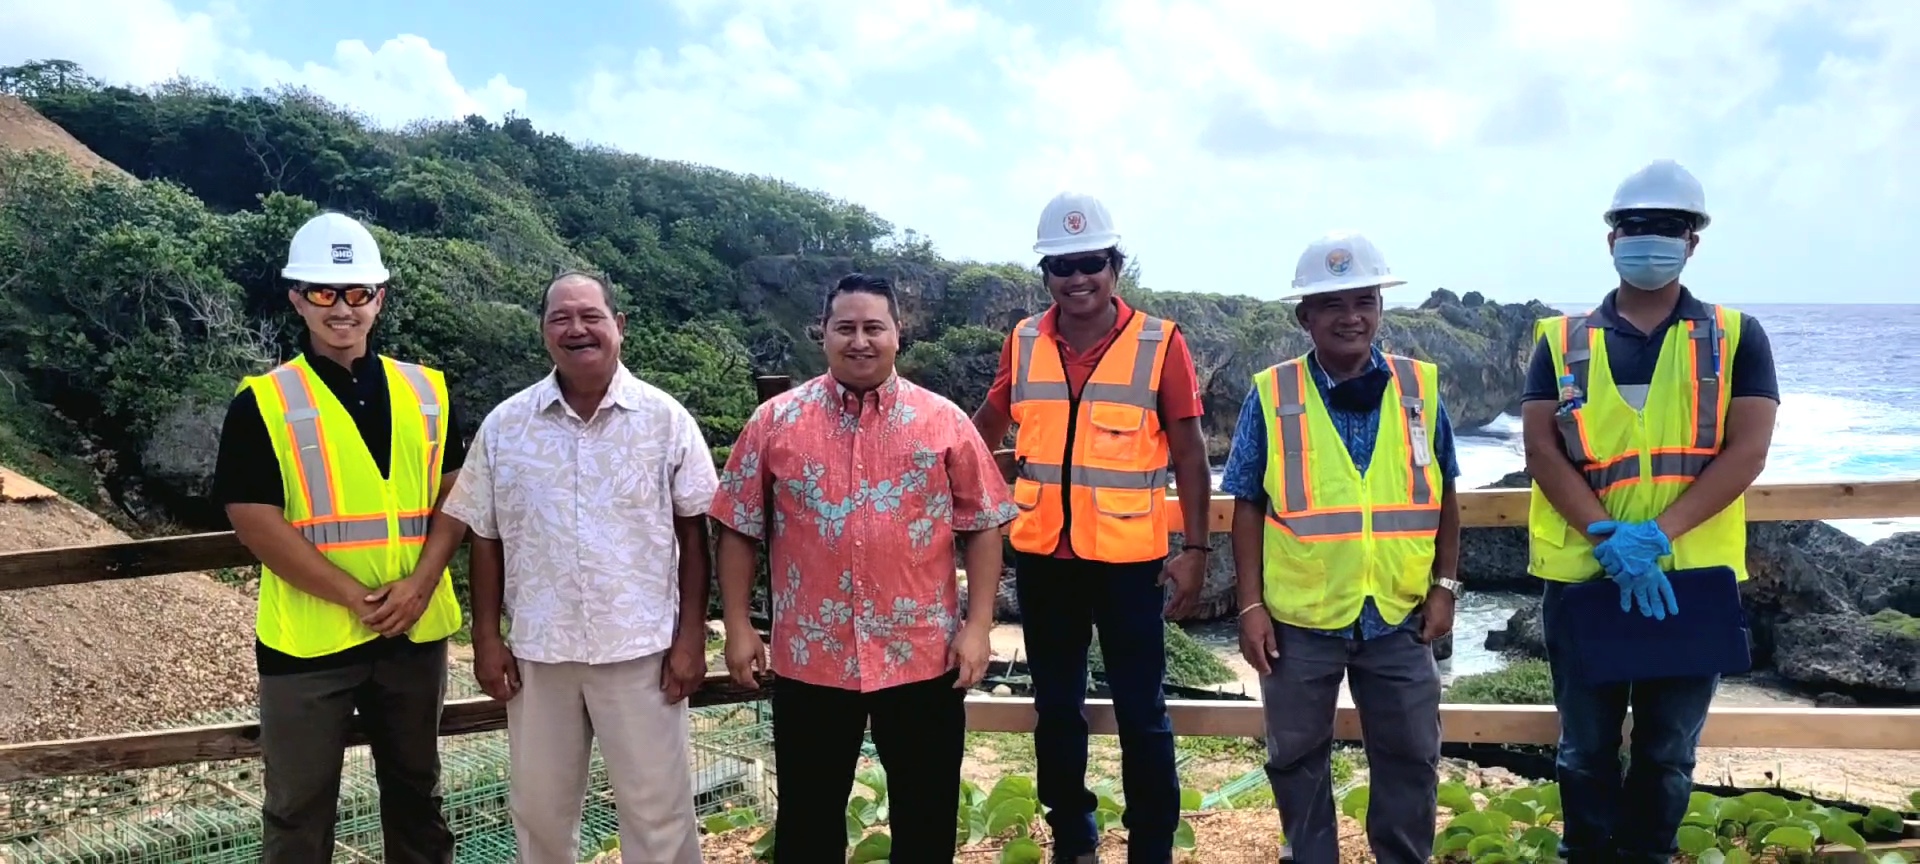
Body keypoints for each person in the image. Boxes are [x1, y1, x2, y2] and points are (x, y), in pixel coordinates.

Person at [1520, 159, 1779, 863]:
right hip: (1586, 576)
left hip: (1689, 580)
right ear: (1612, 239)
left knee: (1668, 752)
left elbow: (1748, 450)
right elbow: (1542, 451)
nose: (1650, 239)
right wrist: (1607, 536)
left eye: (1668, 227)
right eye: (1636, 226)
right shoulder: (1560, 340)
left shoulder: (1736, 336)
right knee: (1584, 748)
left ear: (1693, 242)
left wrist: (1656, 535)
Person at [710, 273, 1014, 864]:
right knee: (808, 825)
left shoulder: (945, 421)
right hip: (811, 657)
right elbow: (739, 526)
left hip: (922, 655)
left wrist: (978, 626)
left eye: (874, 327)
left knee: (926, 822)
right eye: (844, 327)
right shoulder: (775, 422)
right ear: (822, 333)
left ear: (899, 333)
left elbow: (982, 524)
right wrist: (740, 625)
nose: (859, 340)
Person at [433, 271, 718, 864]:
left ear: (620, 325)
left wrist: (691, 635)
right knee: (540, 811)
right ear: (543, 331)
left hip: (642, 651)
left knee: (659, 812)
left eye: (591, 315)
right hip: (540, 652)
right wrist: (486, 638)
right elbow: (485, 536)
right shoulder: (505, 425)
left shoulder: (665, 420)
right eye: (560, 318)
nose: (576, 328)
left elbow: (695, 533)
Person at [213, 211, 465, 864]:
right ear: (297, 298)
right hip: (308, 642)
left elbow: (456, 496)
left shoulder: (428, 391)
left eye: (357, 293)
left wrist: (421, 584)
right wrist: (356, 597)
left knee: (417, 796)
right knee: (297, 810)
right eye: (324, 292)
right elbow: (253, 518)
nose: (342, 308)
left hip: (412, 633)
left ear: (379, 298)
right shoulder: (263, 401)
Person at [971, 191, 1212, 864]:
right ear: (1046, 273)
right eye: (1062, 265)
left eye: (1091, 263)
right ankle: (1073, 838)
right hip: (1044, 559)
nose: (1077, 278)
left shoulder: (1160, 343)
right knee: (1056, 709)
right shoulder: (1023, 340)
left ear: (1115, 267)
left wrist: (1195, 549)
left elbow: (1191, 454)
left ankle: (1151, 845)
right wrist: (941, 481)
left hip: (1131, 563)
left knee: (1142, 711)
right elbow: (985, 426)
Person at [1219, 230, 1461, 864]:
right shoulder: (1272, 394)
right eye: (1332, 304)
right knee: (1296, 759)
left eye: (1363, 301)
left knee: (1411, 755)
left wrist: (1445, 586)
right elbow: (1247, 502)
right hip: (1300, 618)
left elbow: (1445, 492)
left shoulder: (1420, 388)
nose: (1351, 317)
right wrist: (1250, 607)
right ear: (1305, 316)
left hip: (1400, 613)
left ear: (1380, 307)